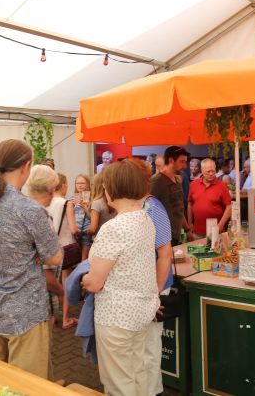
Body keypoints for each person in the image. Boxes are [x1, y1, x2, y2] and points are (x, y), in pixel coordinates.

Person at [0, 139, 62, 380]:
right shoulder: (29, 210)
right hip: (25, 314)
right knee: (28, 387)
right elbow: (55, 257)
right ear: (26, 167)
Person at [82, 159, 159, 396]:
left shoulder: (114, 227)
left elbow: (94, 282)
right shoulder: (145, 219)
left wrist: (83, 280)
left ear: (113, 189)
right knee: (140, 375)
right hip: (142, 311)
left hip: (117, 317)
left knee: (119, 384)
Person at [132, 159, 174, 395]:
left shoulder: (152, 207)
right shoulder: (138, 207)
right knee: (142, 346)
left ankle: (151, 391)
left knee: (149, 345)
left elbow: (165, 254)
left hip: (153, 287)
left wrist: (155, 294)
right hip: (144, 287)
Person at [45, 172, 79, 329]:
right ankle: (65, 319)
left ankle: (51, 317)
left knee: (49, 283)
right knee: (65, 283)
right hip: (65, 247)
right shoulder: (67, 203)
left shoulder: (46, 202)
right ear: (64, 185)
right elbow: (73, 229)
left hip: (50, 248)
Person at [151, 146, 193, 246]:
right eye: (182, 161)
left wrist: (187, 229)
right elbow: (146, 209)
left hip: (176, 236)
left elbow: (178, 208)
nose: (185, 166)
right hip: (162, 239)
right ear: (171, 160)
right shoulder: (157, 181)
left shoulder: (177, 180)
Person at [187, 158, 232, 238]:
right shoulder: (193, 185)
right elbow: (190, 204)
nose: (211, 174)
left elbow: (229, 207)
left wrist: (220, 225)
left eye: (213, 171)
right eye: (208, 171)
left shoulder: (221, 185)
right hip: (197, 231)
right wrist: (190, 224)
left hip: (216, 231)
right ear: (202, 170)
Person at [88, 171, 117, 238]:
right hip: (113, 237)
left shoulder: (97, 203)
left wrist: (86, 232)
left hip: (100, 239)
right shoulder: (115, 201)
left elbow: (93, 229)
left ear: (96, 186)